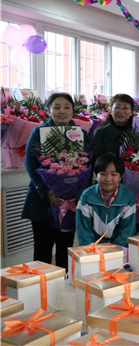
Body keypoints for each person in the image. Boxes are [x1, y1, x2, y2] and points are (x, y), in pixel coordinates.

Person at [23, 93, 90, 269]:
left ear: (73, 110)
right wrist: (45, 190)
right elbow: (30, 162)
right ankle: (40, 283)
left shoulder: (81, 134)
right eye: (57, 107)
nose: (62, 111)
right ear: (49, 110)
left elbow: (89, 162)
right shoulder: (39, 133)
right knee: (42, 248)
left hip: (71, 202)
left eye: (67, 107)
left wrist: (79, 191)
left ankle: (64, 284)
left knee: (65, 247)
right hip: (43, 200)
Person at [75, 153, 136, 248]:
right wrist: (92, 250)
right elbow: (83, 230)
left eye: (113, 174)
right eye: (103, 174)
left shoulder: (128, 197)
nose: (108, 179)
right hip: (93, 247)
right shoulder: (87, 196)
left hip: (119, 249)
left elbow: (126, 232)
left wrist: (114, 252)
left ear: (120, 177)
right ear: (95, 175)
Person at [91, 94, 134, 160]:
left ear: (131, 112)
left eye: (125, 108)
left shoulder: (137, 133)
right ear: (111, 111)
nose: (121, 111)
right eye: (117, 107)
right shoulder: (100, 133)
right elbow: (98, 160)